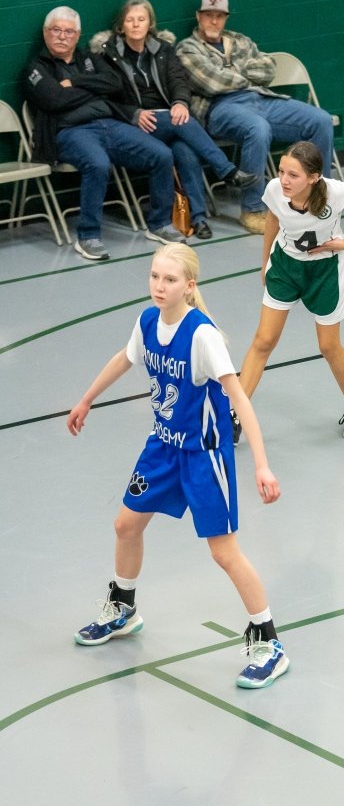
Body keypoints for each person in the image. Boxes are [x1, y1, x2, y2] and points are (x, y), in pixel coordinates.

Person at [66, 243, 289, 691]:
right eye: (154, 276)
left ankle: (268, 642)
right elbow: (124, 358)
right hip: (163, 447)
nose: (159, 286)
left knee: (223, 552)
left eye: (169, 280)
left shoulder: (202, 336)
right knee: (126, 525)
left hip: (204, 455)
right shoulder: (148, 321)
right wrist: (86, 399)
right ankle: (123, 609)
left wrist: (261, 466)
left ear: (189, 286)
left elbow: (239, 398)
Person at [232, 141, 344, 442]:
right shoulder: (275, 190)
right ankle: (235, 414)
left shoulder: (335, 192)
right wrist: (265, 261)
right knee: (263, 340)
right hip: (286, 267)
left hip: (324, 271)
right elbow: (274, 218)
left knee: (329, 346)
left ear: (313, 177)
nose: (284, 180)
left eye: (293, 175)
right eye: (281, 171)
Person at [24, 6, 187, 261]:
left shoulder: (88, 59)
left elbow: (115, 84)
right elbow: (54, 99)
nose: (62, 36)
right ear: (46, 32)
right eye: (56, 30)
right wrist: (95, 91)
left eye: (69, 31)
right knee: (98, 164)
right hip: (70, 132)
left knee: (162, 154)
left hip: (110, 124)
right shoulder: (37, 67)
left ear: (78, 35)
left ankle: (159, 224)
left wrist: (75, 83)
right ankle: (88, 236)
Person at [91, 0, 258, 239]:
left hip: (168, 119)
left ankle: (198, 218)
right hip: (135, 123)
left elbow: (179, 81)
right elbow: (105, 96)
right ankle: (227, 171)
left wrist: (180, 102)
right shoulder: (108, 55)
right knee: (185, 122)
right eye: (130, 20)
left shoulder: (163, 50)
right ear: (121, 26)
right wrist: (134, 114)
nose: (136, 25)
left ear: (150, 24)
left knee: (185, 151)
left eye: (141, 19)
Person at [175, 0, 335, 234]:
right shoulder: (187, 48)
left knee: (320, 120)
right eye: (208, 15)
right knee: (257, 128)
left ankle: (315, 197)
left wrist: (231, 72)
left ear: (226, 18)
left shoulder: (240, 40)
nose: (214, 21)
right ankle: (252, 210)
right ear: (199, 17)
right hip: (220, 108)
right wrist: (245, 73)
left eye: (219, 16)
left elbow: (268, 69)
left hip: (261, 98)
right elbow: (212, 83)